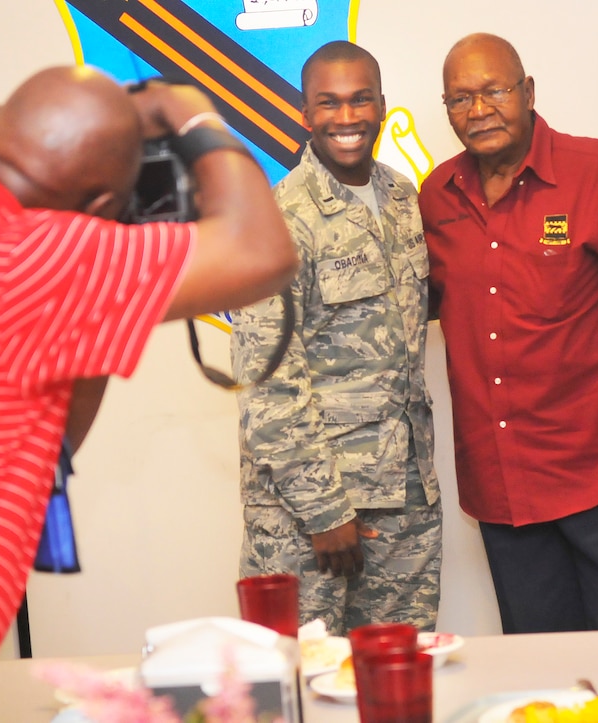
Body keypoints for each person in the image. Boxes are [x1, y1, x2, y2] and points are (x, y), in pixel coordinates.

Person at [0, 65, 297, 719]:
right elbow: (261, 250)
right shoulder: (41, 257)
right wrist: (192, 114)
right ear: (102, 211)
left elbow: (44, 445)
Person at [418, 33, 598, 634]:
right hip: (502, 488)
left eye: (495, 90)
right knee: (539, 671)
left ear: (529, 92)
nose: (479, 109)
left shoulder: (594, 173)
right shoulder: (437, 197)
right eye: (461, 98)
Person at [231, 41, 441, 635]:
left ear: (381, 105)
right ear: (305, 114)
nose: (346, 118)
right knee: (302, 680)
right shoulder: (278, 219)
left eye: (359, 101)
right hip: (309, 519)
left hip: (406, 501)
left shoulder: (402, 197)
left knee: (399, 675)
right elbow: (268, 383)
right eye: (329, 103)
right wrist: (324, 511)